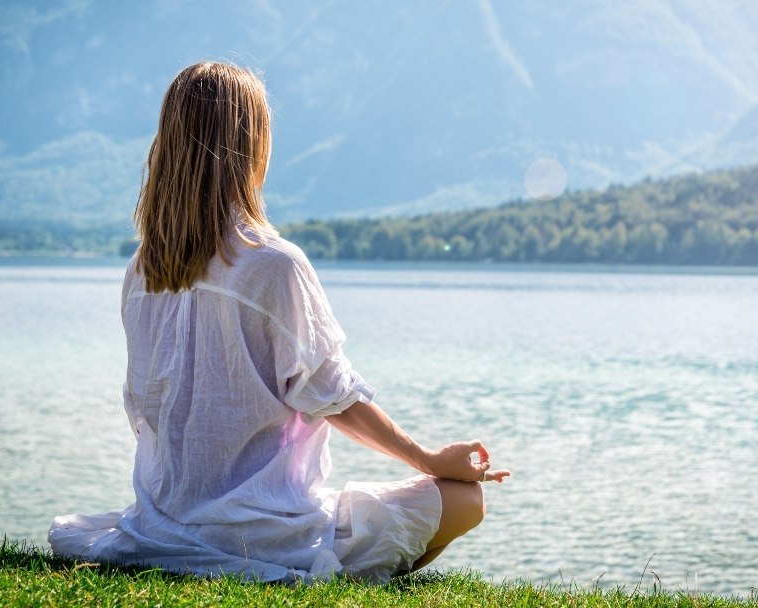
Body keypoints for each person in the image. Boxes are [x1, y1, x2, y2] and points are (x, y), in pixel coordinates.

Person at [48, 62, 509, 584]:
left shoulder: (142, 271)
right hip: (265, 531)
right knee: (465, 500)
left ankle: (309, 561)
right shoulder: (274, 263)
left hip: (163, 523)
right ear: (252, 147)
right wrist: (429, 460)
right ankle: (332, 573)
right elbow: (333, 396)